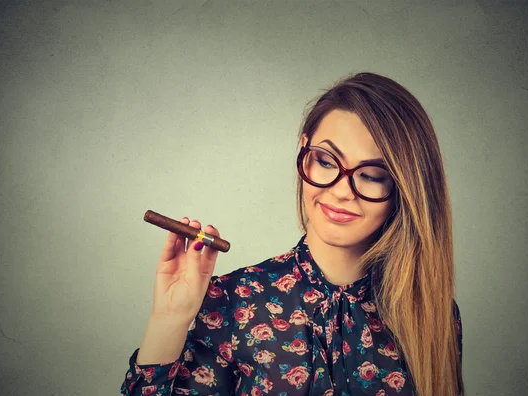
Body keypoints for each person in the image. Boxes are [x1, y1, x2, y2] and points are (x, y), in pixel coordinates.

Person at [120, 72, 464, 396]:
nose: (343, 191)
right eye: (327, 161)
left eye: (372, 174)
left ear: (406, 188)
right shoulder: (230, 301)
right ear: (304, 153)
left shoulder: (434, 312)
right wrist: (168, 319)